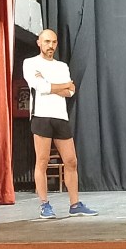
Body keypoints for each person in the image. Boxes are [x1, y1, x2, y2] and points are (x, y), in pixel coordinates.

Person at [22, 28, 96, 218]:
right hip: (41, 116)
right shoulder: (30, 63)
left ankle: (75, 204)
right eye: (47, 41)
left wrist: (52, 86)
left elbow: (70, 92)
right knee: (42, 161)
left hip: (61, 117)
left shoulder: (62, 66)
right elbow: (41, 87)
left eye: (54, 42)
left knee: (71, 160)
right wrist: (62, 85)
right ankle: (44, 205)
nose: (51, 46)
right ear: (39, 42)